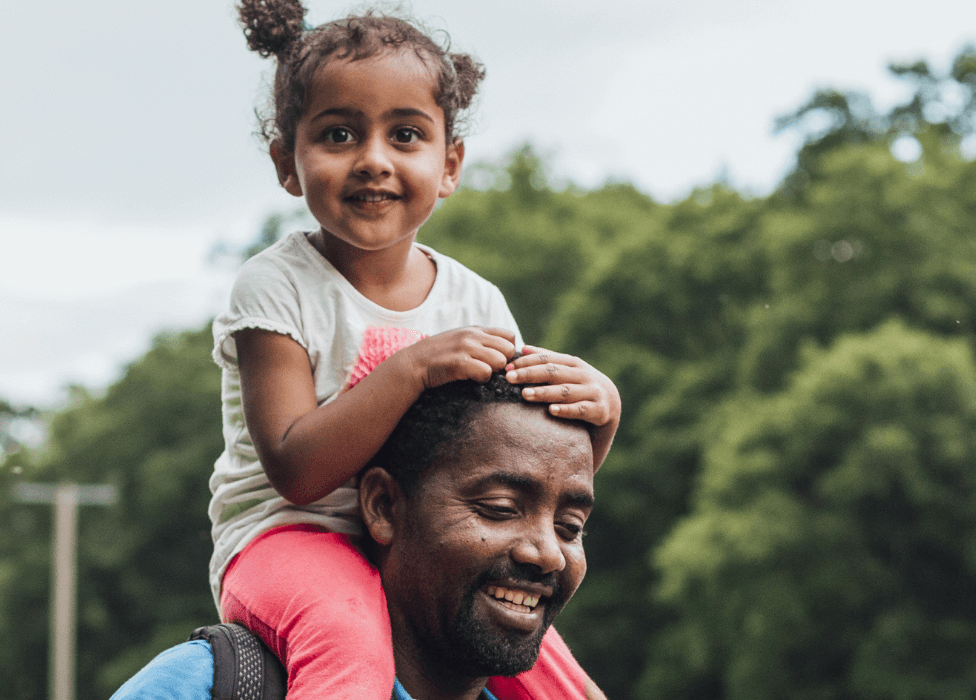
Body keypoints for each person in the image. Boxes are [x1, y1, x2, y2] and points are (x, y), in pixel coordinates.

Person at [210, 2, 618, 697]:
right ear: (287, 162)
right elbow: (296, 471)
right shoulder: (274, 287)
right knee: (348, 650)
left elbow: (525, 463)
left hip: (423, 549)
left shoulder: (474, 301)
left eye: (405, 135)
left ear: (449, 163)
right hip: (289, 541)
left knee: (560, 681)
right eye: (339, 134)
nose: (373, 159)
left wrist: (602, 413)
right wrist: (412, 369)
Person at [115, 375, 598, 700]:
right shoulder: (200, 686)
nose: (547, 554)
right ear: (384, 506)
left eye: (570, 527)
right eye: (500, 510)